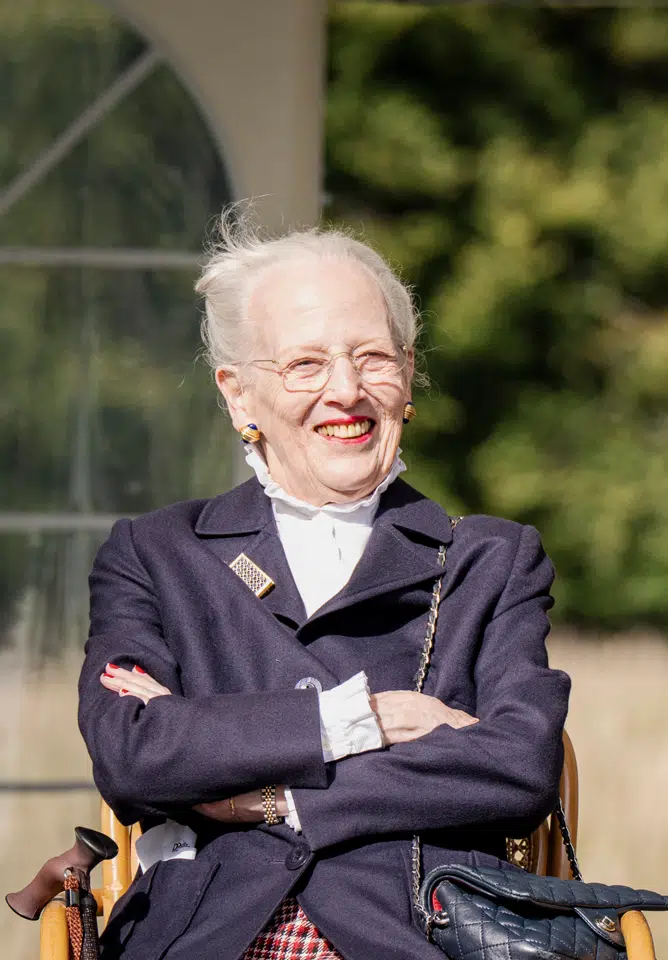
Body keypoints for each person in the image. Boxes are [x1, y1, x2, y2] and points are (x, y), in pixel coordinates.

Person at [78, 208, 571, 960]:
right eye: (305, 365)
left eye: (373, 358)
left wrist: (275, 796)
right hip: (207, 935)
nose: (347, 390)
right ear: (240, 396)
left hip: (413, 936)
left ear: (407, 376)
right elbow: (134, 755)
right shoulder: (155, 554)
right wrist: (369, 718)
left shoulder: (490, 559)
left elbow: (518, 762)